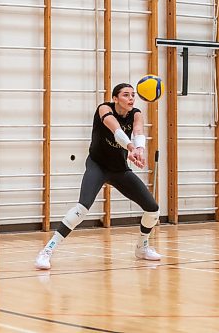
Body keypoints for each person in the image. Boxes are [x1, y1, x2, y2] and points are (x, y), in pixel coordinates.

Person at [35, 83, 161, 270]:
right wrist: (131, 148)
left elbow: (139, 131)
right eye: (126, 95)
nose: (131, 98)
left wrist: (140, 149)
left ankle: (142, 248)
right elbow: (117, 131)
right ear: (115, 98)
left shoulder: (136, 113)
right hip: (98, 166)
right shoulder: (104, 108)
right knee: (82, 208)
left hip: (119, 169)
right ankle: (47, 251)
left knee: (153, 209)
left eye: (133, 95)